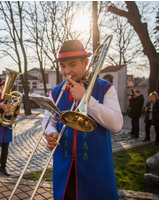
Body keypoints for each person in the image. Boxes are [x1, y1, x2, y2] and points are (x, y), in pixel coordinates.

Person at [42, 40, 123, 200]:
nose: (67, 71)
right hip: (64, 167)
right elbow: (48, 122)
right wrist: (51, 133)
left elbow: (117, 124)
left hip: (96, 167)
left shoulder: (106, 88)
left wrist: (87, 99)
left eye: (72, 65)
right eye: (63, 66)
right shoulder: (55, 92)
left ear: (86, 62)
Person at [0, 77, 20, 176]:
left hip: (7, 125)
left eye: (0, 86)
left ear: (3, 86)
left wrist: (16, 113)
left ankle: (3, 168)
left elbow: (14, 109)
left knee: (5, 148)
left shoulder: (10, 97)